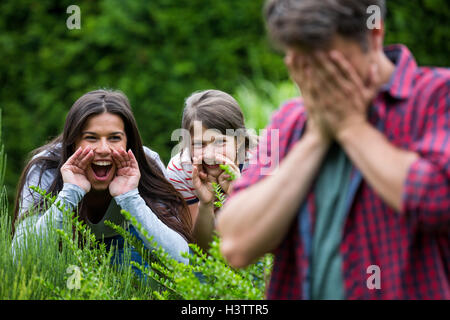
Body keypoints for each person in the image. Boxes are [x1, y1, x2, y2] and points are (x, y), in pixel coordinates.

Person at [217, 0, 449, 299]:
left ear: (374, 33)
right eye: (303, 62)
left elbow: (438, 199)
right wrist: (315, 138)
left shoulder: (436, 97)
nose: (315, 80)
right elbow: (236, 243)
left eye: (328, 62)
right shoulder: (292, 122)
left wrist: (351, 127)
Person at [12, 89, 193, 269]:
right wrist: (70, 193)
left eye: (115, 138)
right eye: (91, 138)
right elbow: (18, 259)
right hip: (65, 256)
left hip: (129, 253)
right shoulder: (45, 169)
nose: (104, 149)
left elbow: (181, 259)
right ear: (73, 142)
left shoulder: (147, 165)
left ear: (128, 142)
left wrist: (130, 198)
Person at [166, 89, 256, 250]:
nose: (209, 155)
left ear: (239, 141)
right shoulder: (180, 169)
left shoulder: (260, 162)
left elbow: (269, 234)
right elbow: (200, 250)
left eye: (220, 142)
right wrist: (206, 204)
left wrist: (238, 191)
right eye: (199, 144)